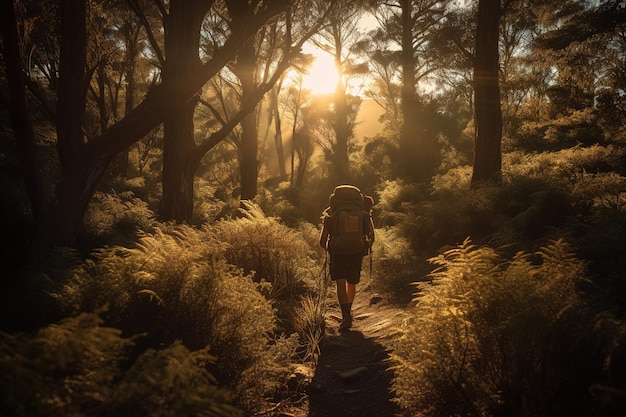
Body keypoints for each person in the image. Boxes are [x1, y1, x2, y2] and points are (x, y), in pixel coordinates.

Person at [319, 190, 374, 331]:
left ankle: (346, 316)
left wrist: (330, 248)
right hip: (357, 252)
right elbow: (372, 237)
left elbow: (322, 241)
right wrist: (364, 246)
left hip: (338, 253)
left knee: (340, 282)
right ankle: (348, 310)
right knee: (352, 282)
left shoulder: (330, 219)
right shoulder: (364, 216)